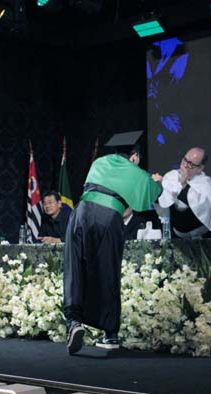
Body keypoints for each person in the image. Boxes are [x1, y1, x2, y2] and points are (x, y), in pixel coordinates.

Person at [64, 131, 162, 355]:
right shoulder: (136, 172)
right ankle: (110, 334)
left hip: (81, 212)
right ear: (134, 156)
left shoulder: (99, 162)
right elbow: (150, 197)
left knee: (74, 266)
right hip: (108, 217)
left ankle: (73, 322)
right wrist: (157, 182)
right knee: (107, 271)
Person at [153, 147, 211, 238]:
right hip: (176, 234)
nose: (185, 165)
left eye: (190, 164)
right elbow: (163, 205)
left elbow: (202, 212)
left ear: (200, 168)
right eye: (185, 159)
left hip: (202, 236)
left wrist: (183, 184)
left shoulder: (206, 184)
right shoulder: (171, 176)